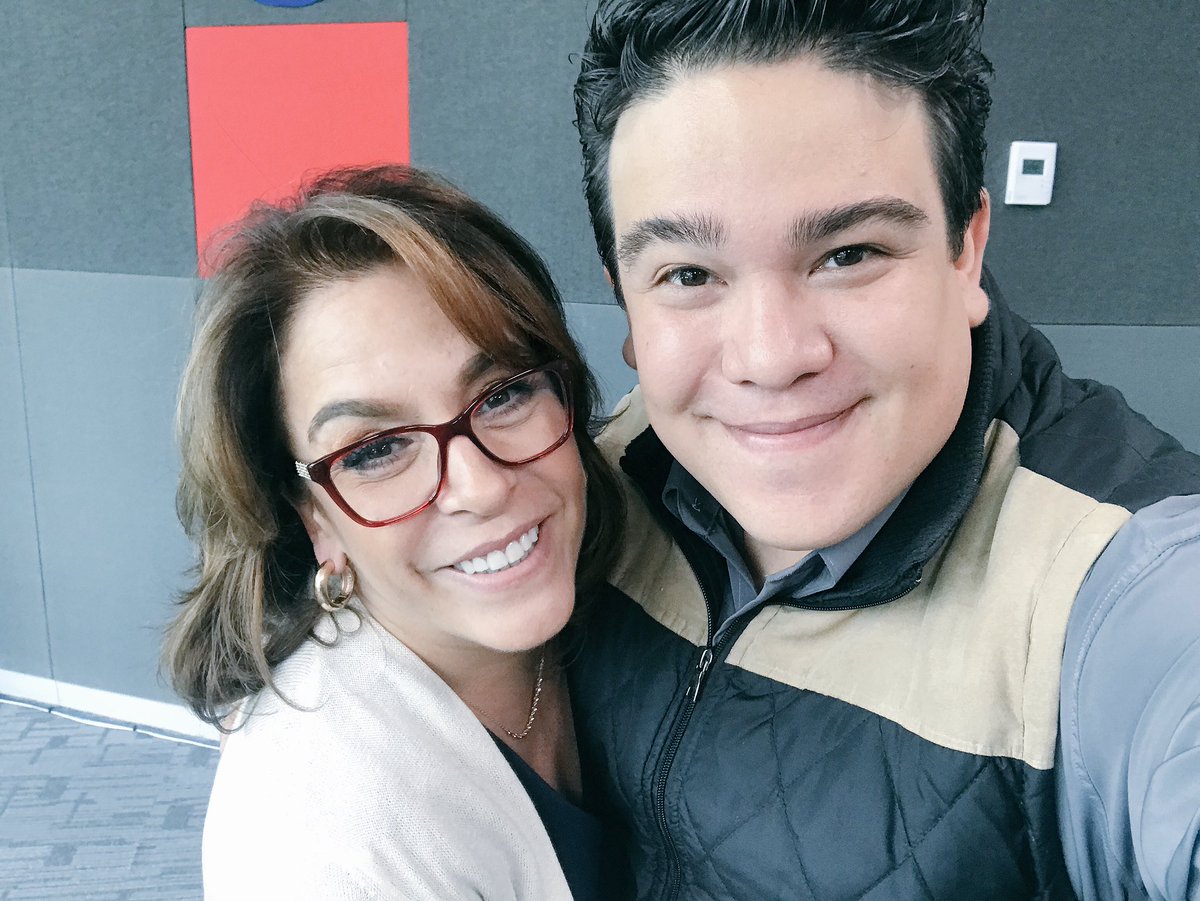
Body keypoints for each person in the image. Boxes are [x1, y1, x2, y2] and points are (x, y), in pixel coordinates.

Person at [566, 1, 1200, 898]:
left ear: (965, 251)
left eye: (849, 253)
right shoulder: (587, 482)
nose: (770, 357)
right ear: (628, 303)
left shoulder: (1122, 578)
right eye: (688, 274)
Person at [163, 165, 628, 899]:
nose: (481, 485)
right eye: (376, 450)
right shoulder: (321, 845)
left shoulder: (634, 587)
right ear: (312, 516)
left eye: (503, 394)